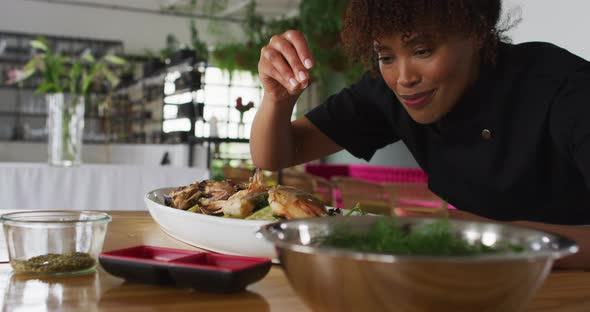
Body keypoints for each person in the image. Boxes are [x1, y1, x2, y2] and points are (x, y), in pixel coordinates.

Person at [250, 0, 590, 269]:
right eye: (385, 56)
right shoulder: (389, 94)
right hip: (481, 283)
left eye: (423, 51)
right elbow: (278, 154)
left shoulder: (564, 88)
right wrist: (277, 100)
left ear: (475, 33)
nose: (404, 77)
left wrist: (489, 238)